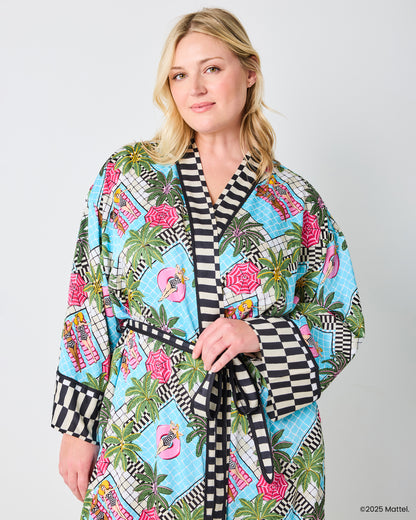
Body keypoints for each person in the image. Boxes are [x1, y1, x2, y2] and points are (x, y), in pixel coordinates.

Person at [52, 7, 365, 520]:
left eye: (212, 68)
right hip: (145, 433)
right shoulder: (127, 176)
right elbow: (88, 301)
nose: (194, 88)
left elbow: (343, 323)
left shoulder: (294, 200)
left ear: (250, 72)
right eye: (179, 75)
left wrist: (257, 336)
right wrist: (77, 427)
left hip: (266, 445)